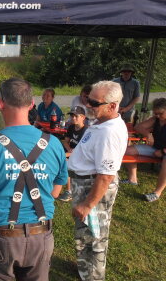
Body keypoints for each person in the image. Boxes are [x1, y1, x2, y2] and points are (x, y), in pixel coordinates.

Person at [0, 78, 68, 281]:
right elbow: (56, 191)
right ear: (31, 104)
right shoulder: (53, 143)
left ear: (0, 103)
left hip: (0, 238)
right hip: (41, 236)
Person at [68, 81, 128, 281]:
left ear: (112, 105)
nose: (88, 105)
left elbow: (106, 176)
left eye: (94, 102)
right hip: (85, 183)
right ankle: (84, 269)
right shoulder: (101, 122)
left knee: (95, 236)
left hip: (92, 186)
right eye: (88, 100)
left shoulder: (109, 132)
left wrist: (87, 204)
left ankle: (93, 277)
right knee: (85, 234)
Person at [121, 98, 166, 201]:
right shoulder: (156, 119)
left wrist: (163, 152)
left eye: (160, 113)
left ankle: (157, 193)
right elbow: (138, 126)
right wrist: (148, 134)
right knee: (127, 151)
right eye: (155, 114)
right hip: (154, 148)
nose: (158, 116)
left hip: (163, 151)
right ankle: (132, 179)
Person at [58, 106, 88, 202]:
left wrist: (65, 155)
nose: (73, 118)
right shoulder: (71, 127)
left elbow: (80, 150)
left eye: (76, 116)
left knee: (65, 163)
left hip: (82, 155)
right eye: (72, 116)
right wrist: (69, 150)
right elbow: (65, 141)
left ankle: (69, 191)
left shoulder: (86, 131)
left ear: (83, 117)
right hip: (71, 152)